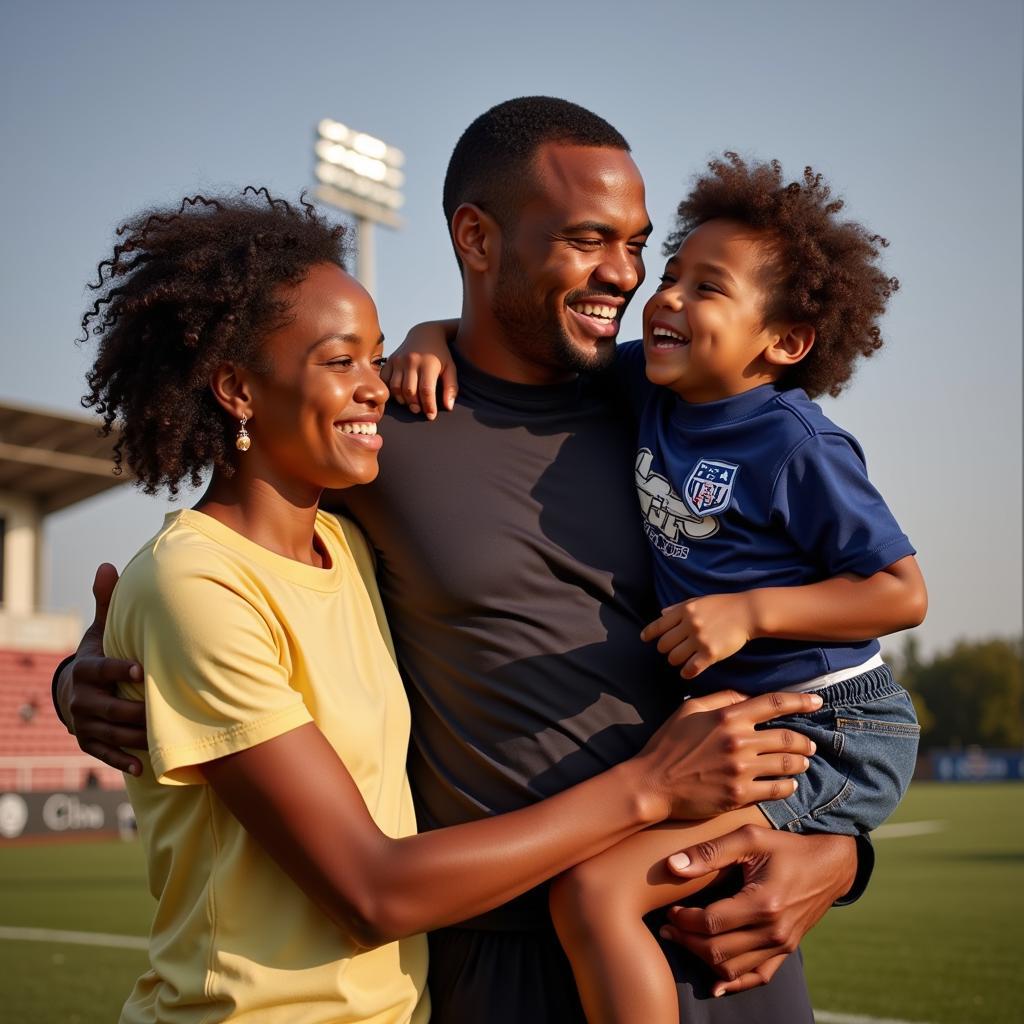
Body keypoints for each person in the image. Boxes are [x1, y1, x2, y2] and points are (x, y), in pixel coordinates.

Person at [56, 100, 867, 1022]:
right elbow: (221, 561)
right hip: (492, 964)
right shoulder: (378, 436)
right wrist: (89, 675)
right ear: (475, 238)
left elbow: (842, 640)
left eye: (637, 243)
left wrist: (842, 851)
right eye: (588, 238)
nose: (628, 275)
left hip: (717, 931)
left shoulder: (672, 412)